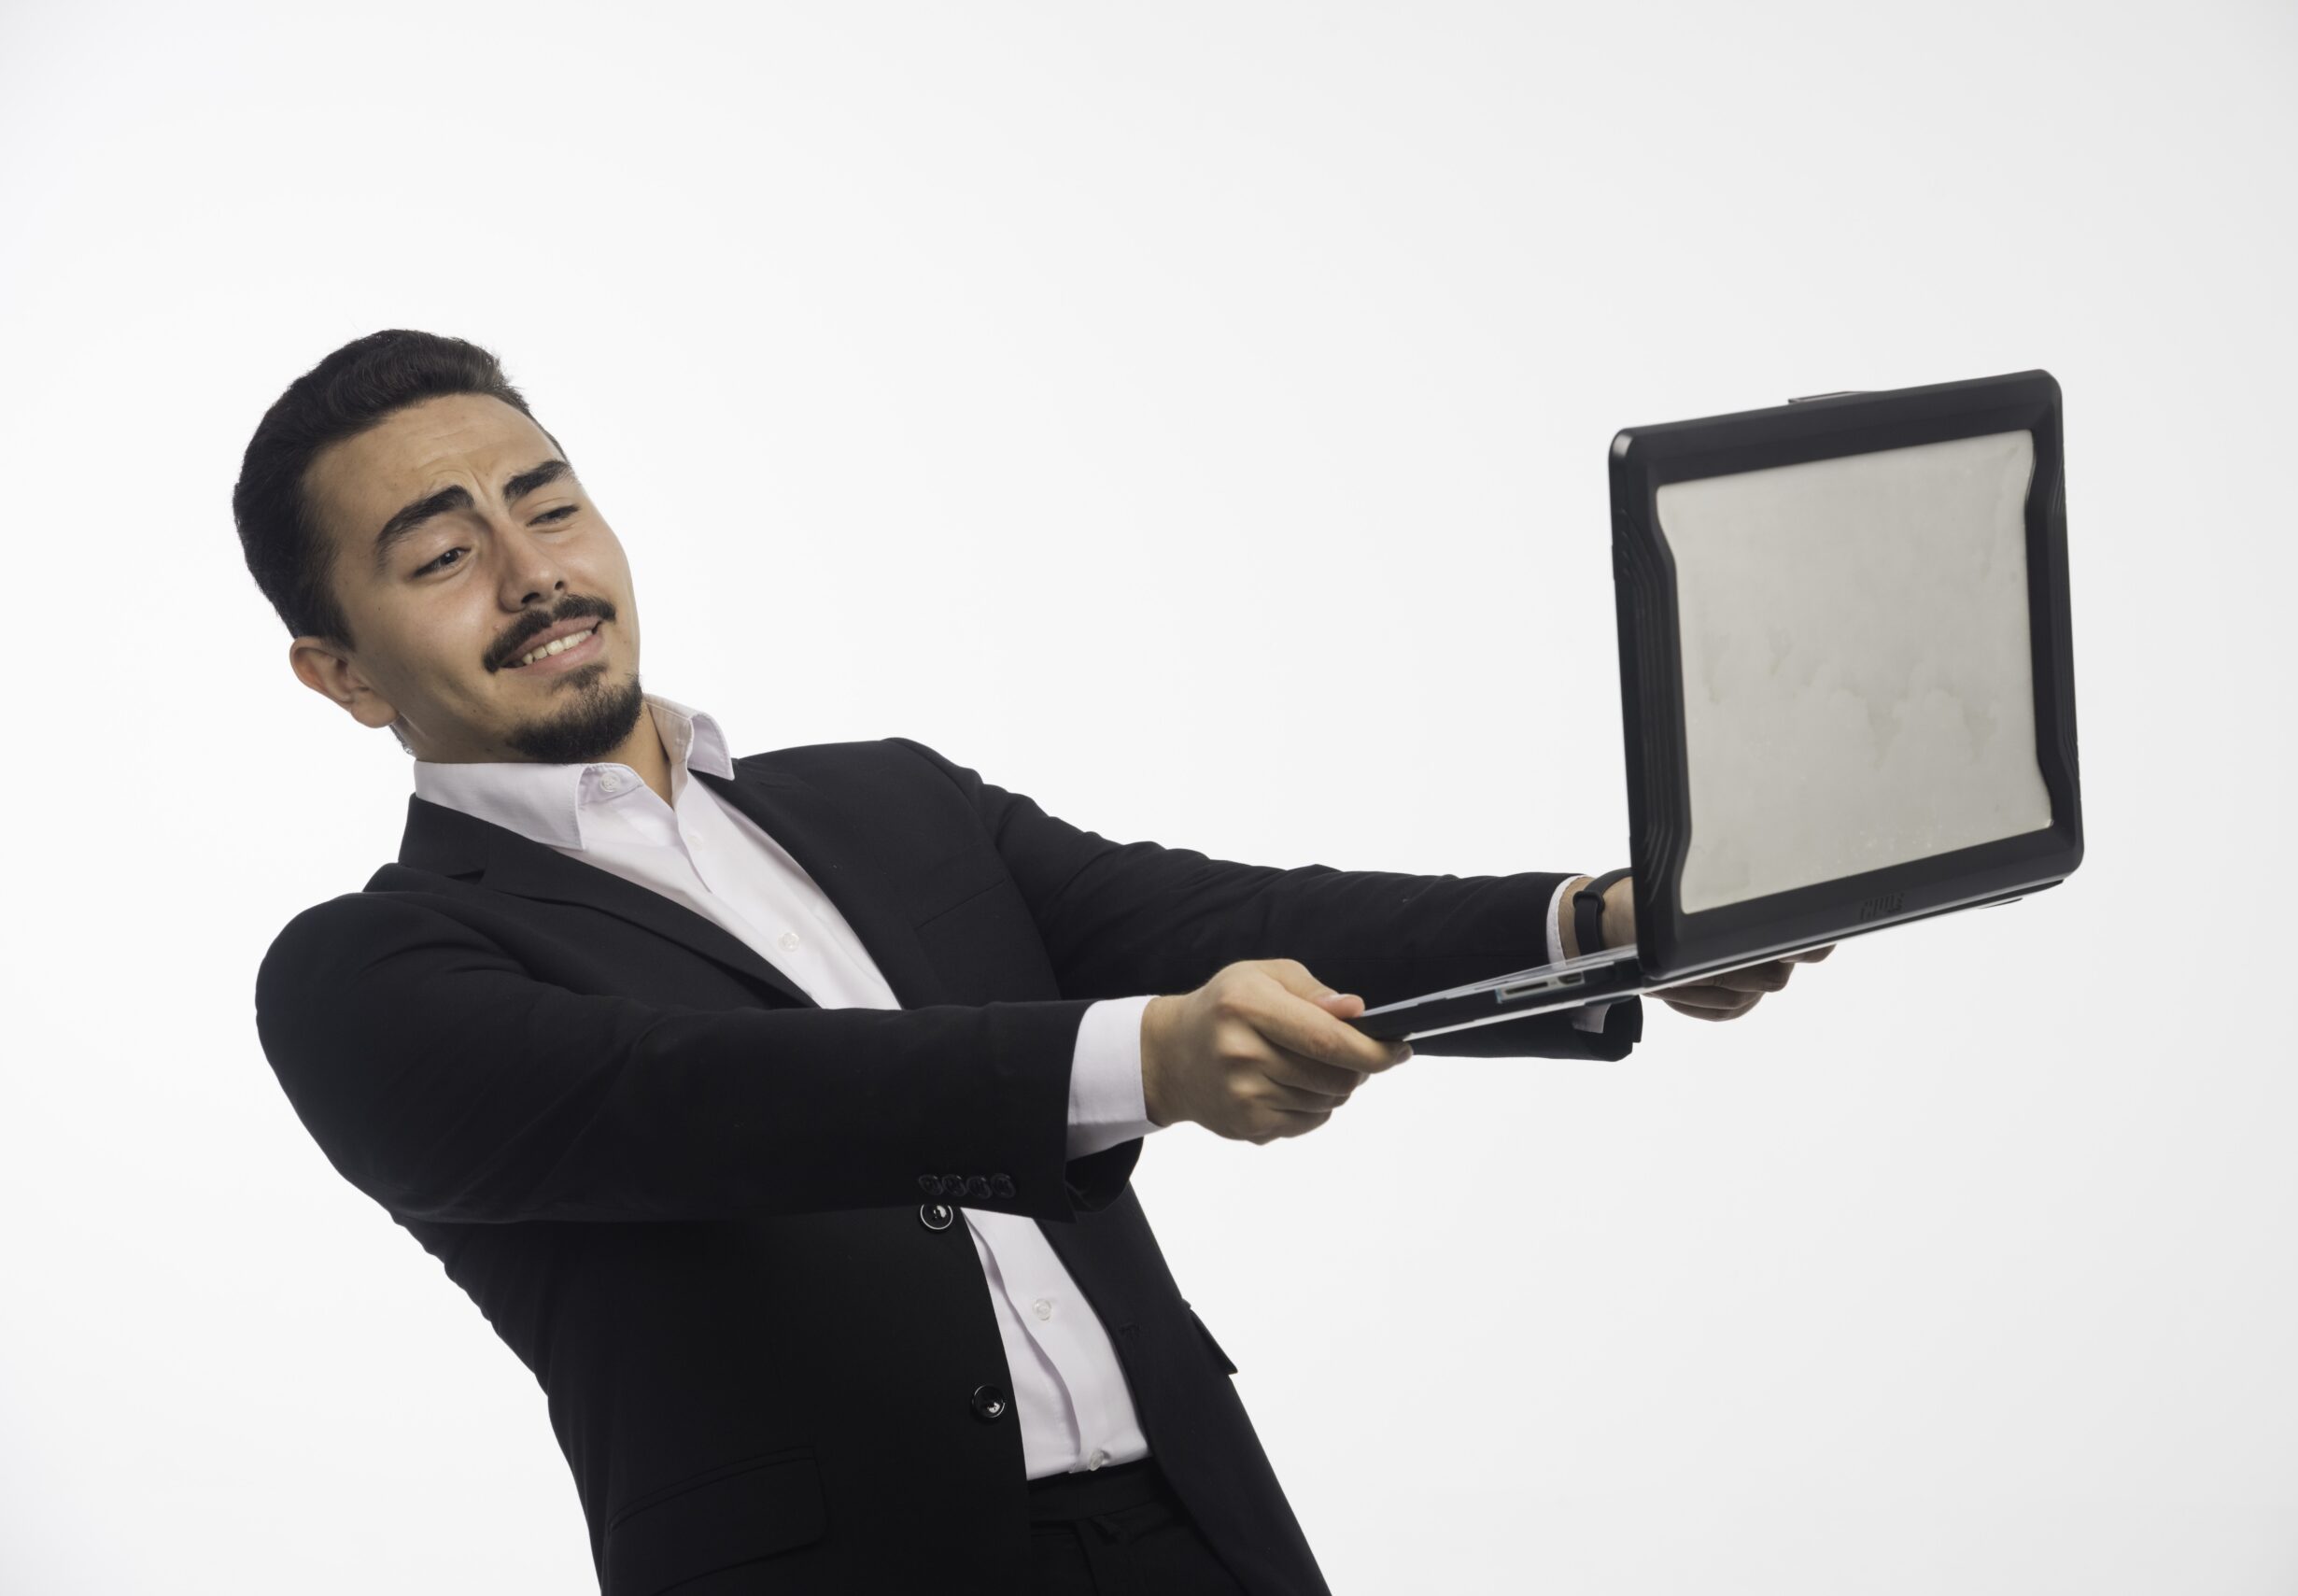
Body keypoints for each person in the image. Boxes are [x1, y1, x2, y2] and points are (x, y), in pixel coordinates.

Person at [236, 330, 1830, 1595]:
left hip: (1196, 1530)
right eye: (441, 556)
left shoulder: (883, 797)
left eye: (552, 502)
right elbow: (724, 1099)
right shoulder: (366, 978)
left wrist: (1605, 928)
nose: (537, 576)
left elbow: (1215, 918)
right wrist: (1145, 1060)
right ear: (341, 673)